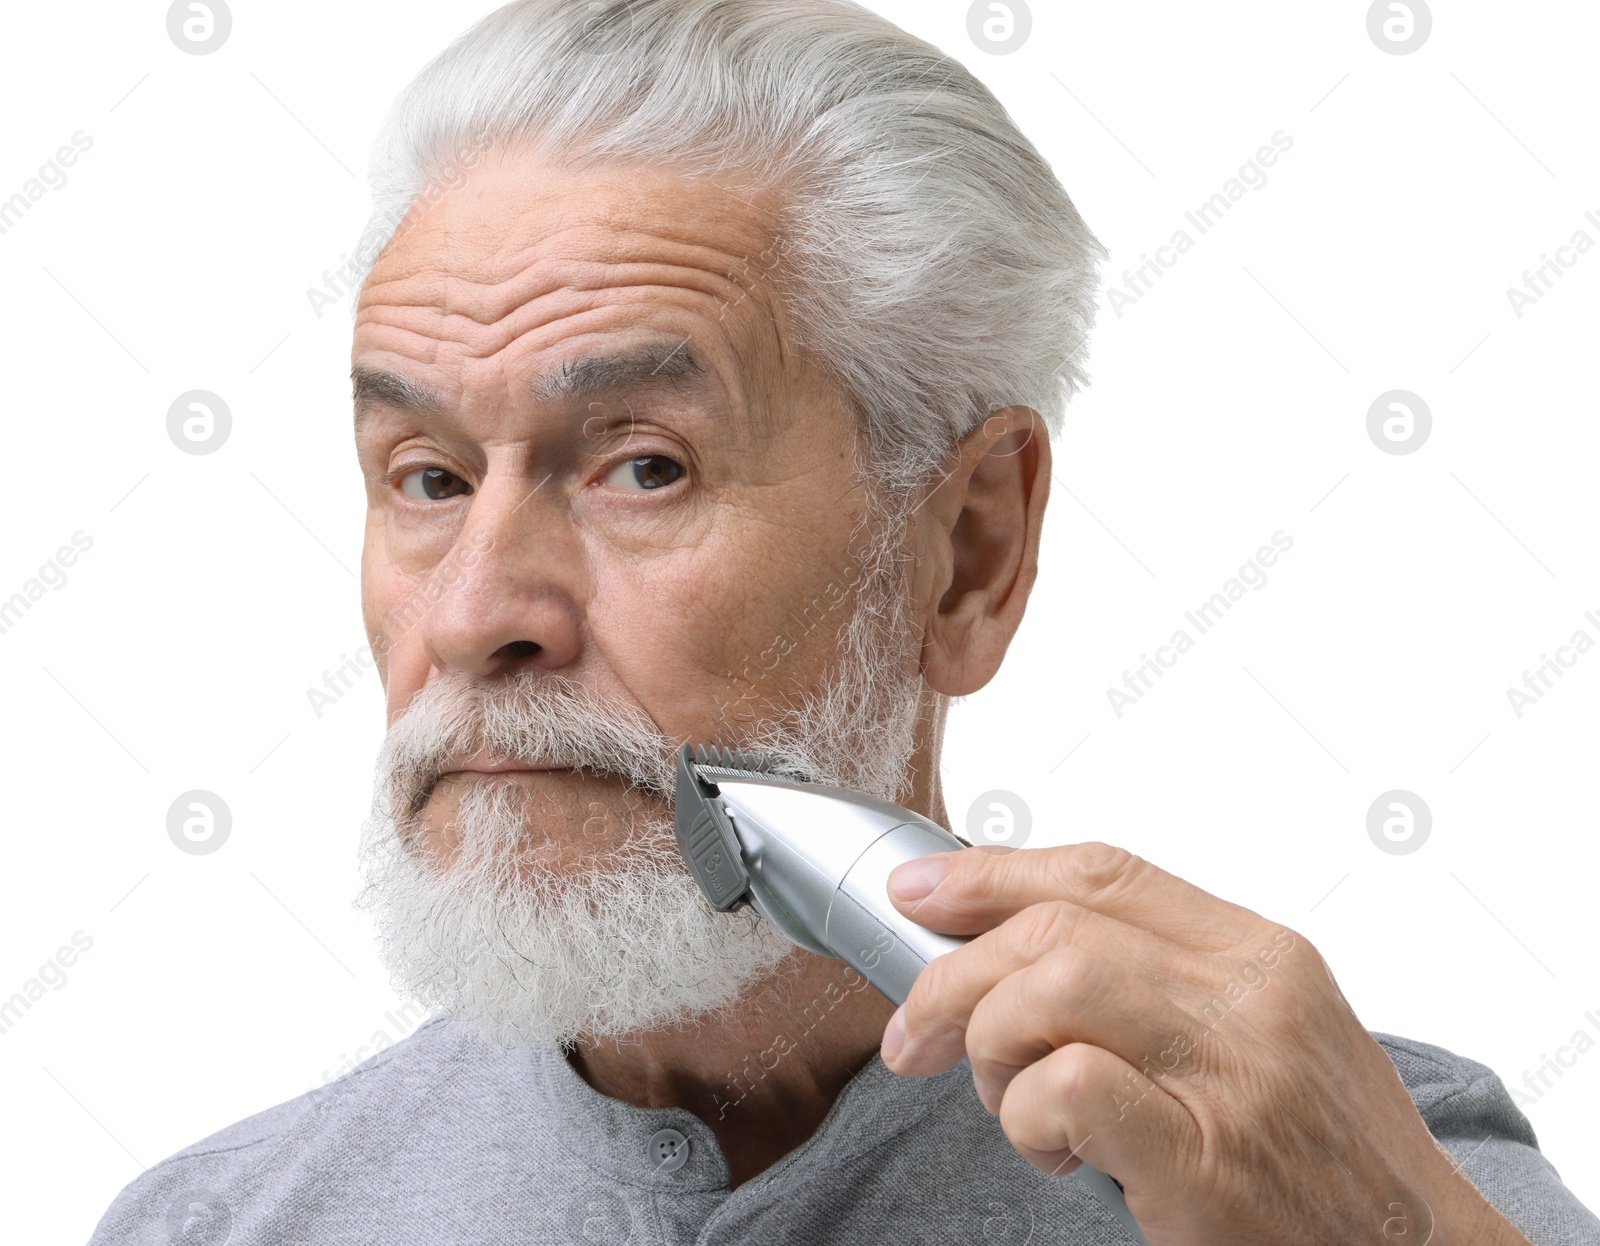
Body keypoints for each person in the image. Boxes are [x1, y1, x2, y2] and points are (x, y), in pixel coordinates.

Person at [89, 1, 1600, 1242]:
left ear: (966, 553)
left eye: (642, 466)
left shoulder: (1323, 1177)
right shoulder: (214, 1225)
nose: (479, 611)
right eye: (426, 476)